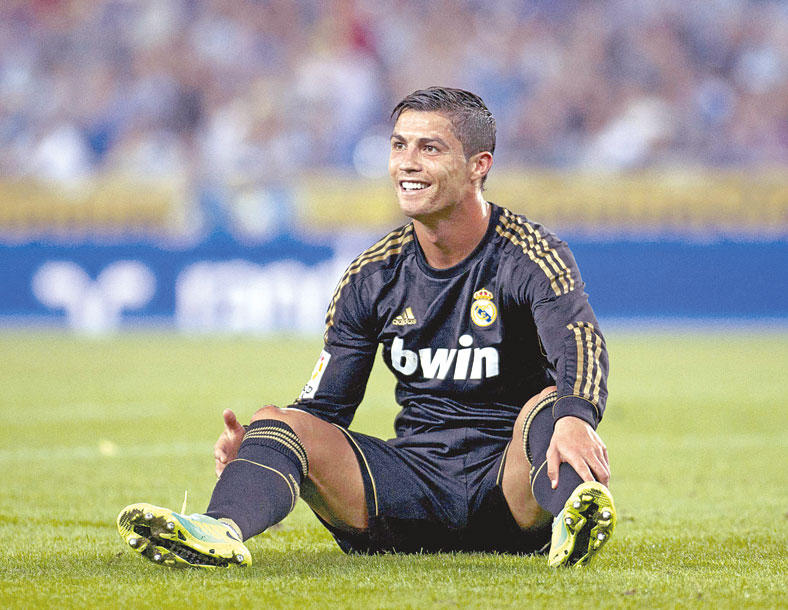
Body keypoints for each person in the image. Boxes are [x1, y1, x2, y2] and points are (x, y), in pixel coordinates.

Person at [117, 86, 616, 568]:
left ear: (477, 166)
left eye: (429, 148)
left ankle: (573, 517)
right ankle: (217, 530)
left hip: (512, 487)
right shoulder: (372, 275)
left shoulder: (531, 255)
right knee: (277, 420)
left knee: (553, 405)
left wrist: (576, 417)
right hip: (409, 492)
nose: (407, 163)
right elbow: (324, 409)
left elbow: (580, 345)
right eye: (399, 146)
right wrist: (261, 451)